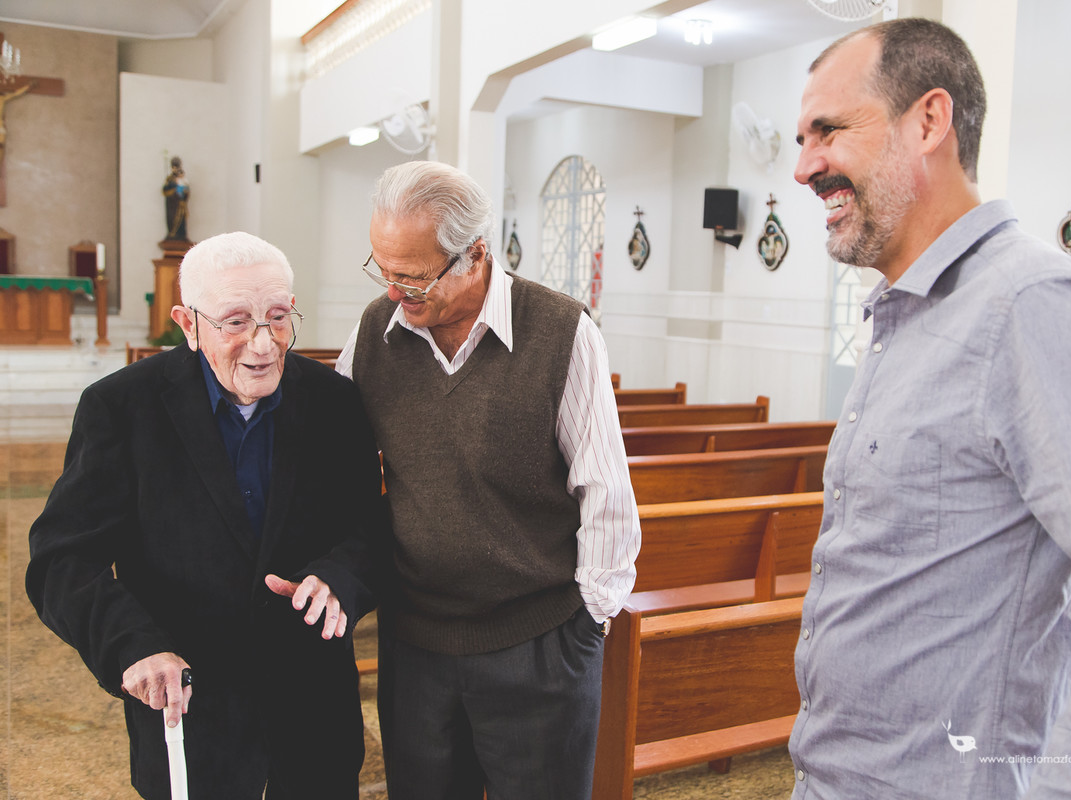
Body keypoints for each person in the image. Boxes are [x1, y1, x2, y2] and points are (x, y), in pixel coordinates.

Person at [789, 18, 1071, 800]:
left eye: (829, 131)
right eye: (802, 139)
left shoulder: (1031, 305)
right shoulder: (899, 317)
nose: (806, 166)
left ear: (929, 121)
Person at [27, 231, 388, 799]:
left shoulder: (334, 400)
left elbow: (372, 525)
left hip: (313, 710)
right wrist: (131, 645)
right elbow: (62, 560)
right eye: (236, 321)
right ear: (188, 324)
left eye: (277, 316)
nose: (264, 343)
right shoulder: (122, 408)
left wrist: (342, 578)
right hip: (192, 715)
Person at [336, 160, 641, 800]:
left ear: (475, 256)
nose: (394, 293)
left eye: (413, 279)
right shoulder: (376, 333)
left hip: (538, 644)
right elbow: (321, 447)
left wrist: (587, 627)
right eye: (382, 270)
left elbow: (605, 490)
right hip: (416, 644)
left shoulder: (561, 332)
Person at [163, 156, 190, 241]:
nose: (175, 169)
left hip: (180, 204)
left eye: (177, 167)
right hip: (172, 205)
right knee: (172, 219)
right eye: (174, 167)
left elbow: (187, 190)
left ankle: (181, 235)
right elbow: (165, 190)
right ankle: (172, 233)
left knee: (181, 220)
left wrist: (184, 193)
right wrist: (173, 189)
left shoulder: (182, 179)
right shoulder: (169, 179)